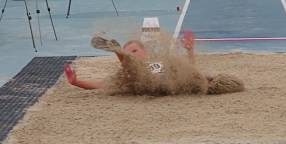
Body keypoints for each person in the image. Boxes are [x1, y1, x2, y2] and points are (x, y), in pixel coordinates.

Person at [64, 31, 244, 94]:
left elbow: (190, 71)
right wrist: (76, 82)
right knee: (131, 72)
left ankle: (118, 52)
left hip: (173, 83)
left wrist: (189, 50)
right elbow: (101, 85)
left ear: (146, 52)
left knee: (230, 84)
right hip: (144, 83)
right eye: (128, 53)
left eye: (134, 51)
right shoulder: (125, 75)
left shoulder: (159, 62)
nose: (133, 54)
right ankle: (117, 52)